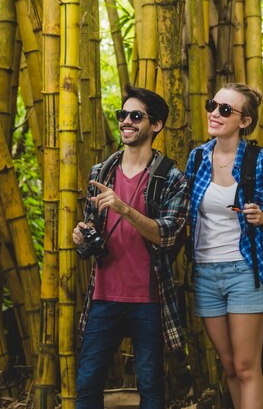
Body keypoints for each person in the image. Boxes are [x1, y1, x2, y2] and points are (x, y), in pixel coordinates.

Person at [185, 83, 263, 409]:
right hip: (206, 274)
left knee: (247, 367)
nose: (214, 114)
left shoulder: (261, 161)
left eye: (225, 110)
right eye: (212, 105)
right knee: (229, 366)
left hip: (245, 271)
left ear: (245, 121)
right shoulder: (197, 158)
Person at [72, 84, 188, 409]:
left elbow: (166, 234)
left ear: (156, 125)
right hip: (103, 296)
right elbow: (92, 226)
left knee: (151, 388)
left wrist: (124, 208)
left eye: (136, 116)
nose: (126, 121)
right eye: (123, 114)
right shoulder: (102, 172)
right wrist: (81, 235)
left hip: (148, 299)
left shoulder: (171, 178)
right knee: (87, 385)